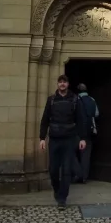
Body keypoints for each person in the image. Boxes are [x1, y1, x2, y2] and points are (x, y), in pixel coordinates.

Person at [39, 75, 86, 208]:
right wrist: (42, 138)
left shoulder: (75, 99)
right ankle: (57, 189)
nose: (62, 84)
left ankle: (62, 199)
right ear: (57, 84)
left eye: (64, 82)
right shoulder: (51, 100)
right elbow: (45, 120)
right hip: (54, 139)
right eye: (60, 82)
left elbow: (80, 120)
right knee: (53, 169)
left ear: (68, 84)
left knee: (66, 170)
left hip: (69, 139)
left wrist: (82, 138)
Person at [74, 83, 99, 183]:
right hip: (89, 130)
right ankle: (84, 176)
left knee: (70, 152)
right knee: (86, 154)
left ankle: (76, 174)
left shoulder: (76, 99)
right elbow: (96, 114)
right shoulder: (92, 100)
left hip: (76, 130)